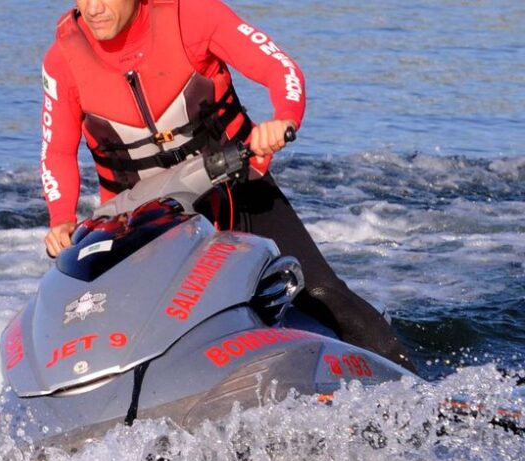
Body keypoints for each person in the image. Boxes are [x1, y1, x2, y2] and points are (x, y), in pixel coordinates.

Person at [38, 0, 415, 371]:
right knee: (115, 326)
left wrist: (282, 119)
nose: (92, 8)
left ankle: (410, 385)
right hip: (143, 225)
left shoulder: (194, 16)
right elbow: (56, 151)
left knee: (319, 292)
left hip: (237, 192)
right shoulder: (64, 60)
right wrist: (61, 219)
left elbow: (281, 69)